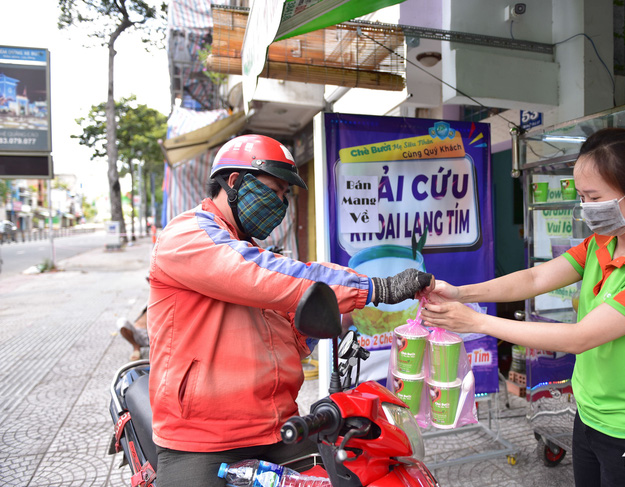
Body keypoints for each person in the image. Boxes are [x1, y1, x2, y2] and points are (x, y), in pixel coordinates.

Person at [147, 134, 433, 487]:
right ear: (234, 182)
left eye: (286, 196)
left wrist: (332, 318)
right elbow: (262, 276)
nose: (281, 203)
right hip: (201, 439)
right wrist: (373, 288)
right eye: (276, 190)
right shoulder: (188, 236)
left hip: (275, 427)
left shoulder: (251, 254)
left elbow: (287, 335)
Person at [420, 128, 625, 486]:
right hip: (589, 418)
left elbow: (581, 337)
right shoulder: (603, 243)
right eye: (581, 196)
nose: (586, 208)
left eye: (594, 197)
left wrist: (477, 322)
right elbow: (535, 279)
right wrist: (461, 293)